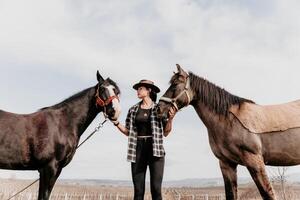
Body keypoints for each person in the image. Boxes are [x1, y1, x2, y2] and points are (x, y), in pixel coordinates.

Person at [111, 79, 176, 200]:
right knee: (138, 191)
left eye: (140, 88)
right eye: (137, 88)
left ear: (149, 90)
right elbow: (128, 132)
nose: (138, 91)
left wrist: (171, 119)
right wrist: (116, 123)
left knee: (156, 190)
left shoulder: (159, 109)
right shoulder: (133, 110)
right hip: (138, 150)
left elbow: (166, 132)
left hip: (155, 149)